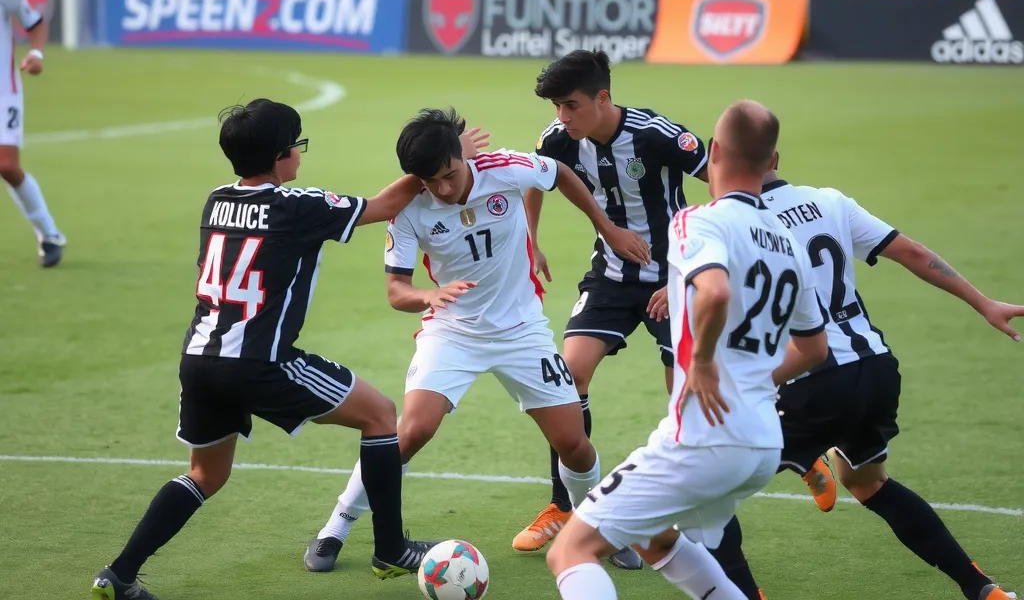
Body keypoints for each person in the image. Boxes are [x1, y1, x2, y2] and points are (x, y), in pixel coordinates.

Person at [90, 99, 455, 600]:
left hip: (198, 361)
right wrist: (439, 159)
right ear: (282, 155)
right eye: (298, 147)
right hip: (260, 362)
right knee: (380, 414)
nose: (301, 158)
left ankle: (120, 574)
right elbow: (385, 206)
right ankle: (390, 549)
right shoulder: (296, 204)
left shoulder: (215, 201)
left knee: (205, 475)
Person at [303, 108, 651, 573]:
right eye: (431, 182)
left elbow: (561, 173)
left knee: (574, 443)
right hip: (452, 332)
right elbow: (395, 291)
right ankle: (335, 529)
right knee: (409, 432)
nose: (444, 189)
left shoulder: (503, 168)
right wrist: (427, 294)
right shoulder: (407, 209)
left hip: (522, 330)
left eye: (449, 174)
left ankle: (598, 525)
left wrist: (606, 228)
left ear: (461, 155)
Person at [546, 99, 829, 600]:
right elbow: (813, 349)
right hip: (763, 442)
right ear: (772, 162)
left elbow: (715, 290)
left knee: (571, 551)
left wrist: (700, 363)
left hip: (704, 439)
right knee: (655, 537)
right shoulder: (788, 243)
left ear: (714, 150)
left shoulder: (695, 221)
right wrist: (754, 384)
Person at [708, 162, 1023, 600]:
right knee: (867, 481)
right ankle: (982, 589)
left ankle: (804, 457)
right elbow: (913, 252)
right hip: (875, 368)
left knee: (708, 494)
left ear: (721, 163)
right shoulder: (829, 201)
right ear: (774, 158)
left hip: (810, 382)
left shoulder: (727, 221)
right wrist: (983, 302)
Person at [514, 49, 710, 571]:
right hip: (611, 277)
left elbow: (728, 184)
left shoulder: (657, 135)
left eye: (571, 105)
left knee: (684, 395)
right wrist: (531, 240)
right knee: (567, 375)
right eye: (557, 106)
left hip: (673, 277)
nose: (562, 117)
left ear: (603, 98)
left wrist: (689, 270)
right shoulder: (558, 139)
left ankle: (686, 507)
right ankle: (563, 505)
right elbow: (537, 178)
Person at [0, 0, 65, 268]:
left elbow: (35, 24)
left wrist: (36, 53)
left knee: (7, 166)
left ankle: (48, 233)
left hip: (4, 92)